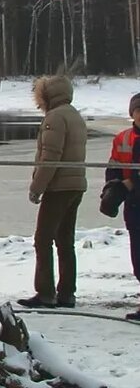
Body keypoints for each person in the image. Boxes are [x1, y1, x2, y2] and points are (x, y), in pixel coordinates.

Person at [18, 75, 87, 309]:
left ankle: (45, 292)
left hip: (59, 187)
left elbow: (50, 156)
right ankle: (67, 292)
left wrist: (37, 187)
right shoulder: (74, 114)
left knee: (43, 238)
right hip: (76, 185)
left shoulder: (55, 118)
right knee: (65, 240)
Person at [101, 93, 140, 321]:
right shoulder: (123, 139)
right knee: (138, 257)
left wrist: (131, 182)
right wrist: (111, 191)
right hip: (133, 206)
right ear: (132, 113)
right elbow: (113, 166)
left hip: (134, 195)